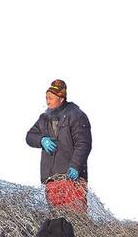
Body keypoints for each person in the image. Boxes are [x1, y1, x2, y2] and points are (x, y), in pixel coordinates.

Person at [25, 80, 92, 212]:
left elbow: (83, 144)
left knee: (75, 218)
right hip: (52, 180)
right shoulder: (44, 118)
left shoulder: (77, 116)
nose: (47, 101)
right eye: (46, 97)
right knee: (56, 220)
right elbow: (29, 136)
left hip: (72, 179)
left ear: (61, 99)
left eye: (51, 98)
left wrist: (75, 166)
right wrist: (41, 140)